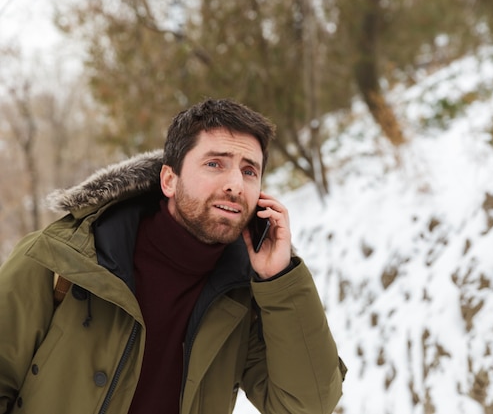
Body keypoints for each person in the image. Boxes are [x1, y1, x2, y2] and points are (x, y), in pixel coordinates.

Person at [0, 98, 346, 414]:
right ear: (169, 179)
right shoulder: (59, 259)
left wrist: (280, 279)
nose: (235, 185)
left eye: (249, 171)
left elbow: (308, 406)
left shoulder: (248, 296)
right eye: (215, 164)